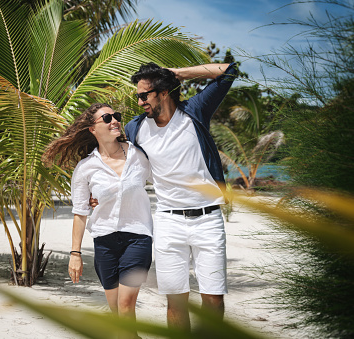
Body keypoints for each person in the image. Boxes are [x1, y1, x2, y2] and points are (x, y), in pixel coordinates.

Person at [123, 62, 238, 332]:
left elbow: (229, 70)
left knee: (213, 297)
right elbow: (115, 160)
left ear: (163, 92)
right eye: (137, 96)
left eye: (144, 95)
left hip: (208, 219)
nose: (139, 102)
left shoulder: (194, 111)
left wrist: (179, 73)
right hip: (167, 222)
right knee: (175, 301)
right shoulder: (135, 129)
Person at [42, 103, 153, 338]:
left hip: (138, 236)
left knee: (125, 306)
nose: (114, 120)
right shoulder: (86, 168)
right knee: (117, 312)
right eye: (107, 118)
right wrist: (75, 254)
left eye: (116, 116)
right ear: (92, 129)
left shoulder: (138, 155)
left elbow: (164, 180)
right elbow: (80, 212)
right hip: (105, 241)